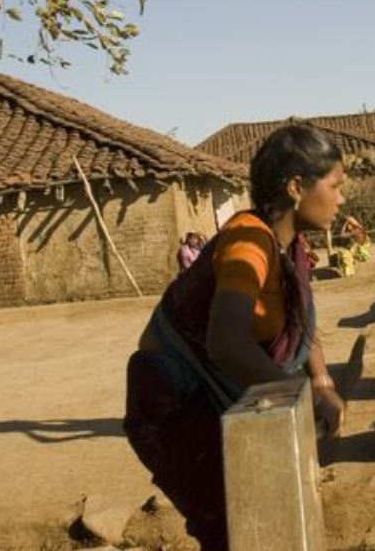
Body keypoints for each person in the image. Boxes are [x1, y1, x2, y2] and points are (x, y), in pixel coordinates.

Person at [124, 126, 348, 551]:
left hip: (225, 399)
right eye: (335, 186)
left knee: (265, 515)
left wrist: (321, 382)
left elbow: (301, 318)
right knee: (233, 527)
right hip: (176, 404)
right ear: (297, 187)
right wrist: (296, 395)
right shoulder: (248, 243)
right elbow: (225, 343)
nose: (341, 198)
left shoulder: (288, 249)